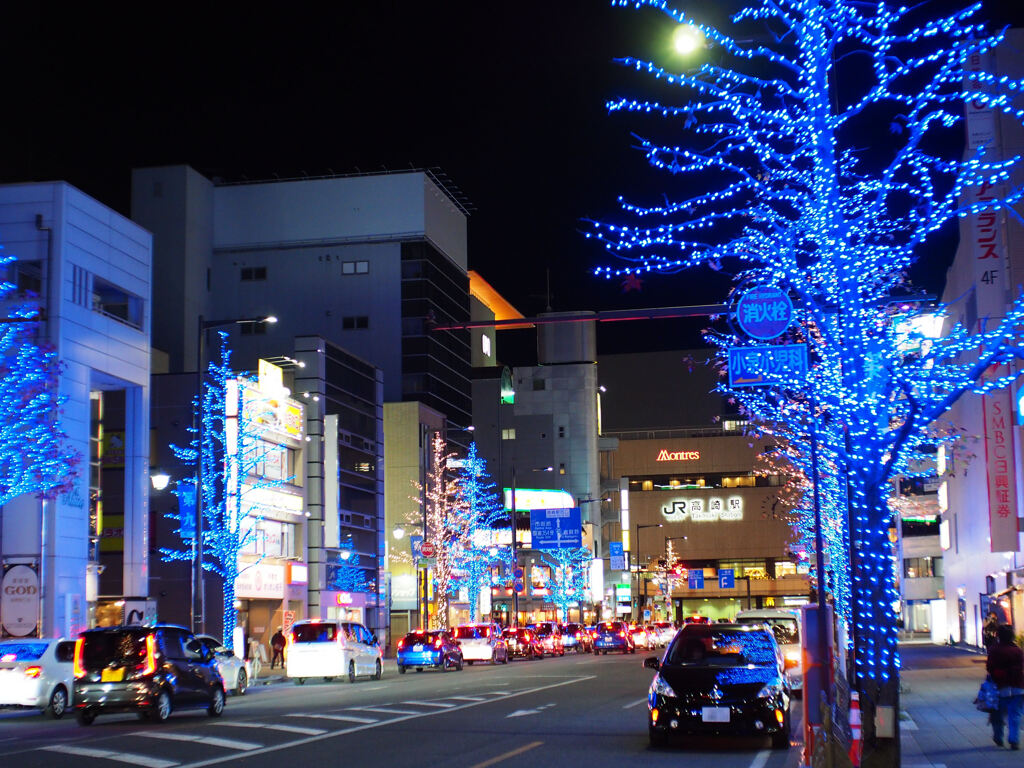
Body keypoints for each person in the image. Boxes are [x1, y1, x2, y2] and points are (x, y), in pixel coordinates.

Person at [986, 624, 1024, 749]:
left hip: (1000, 686)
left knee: (997, 714)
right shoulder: (1018, 650)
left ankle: (998, 737)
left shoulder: (994, 650)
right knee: (1015, 714)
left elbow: (990, 667)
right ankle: (1014, 739)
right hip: (1018, 686)